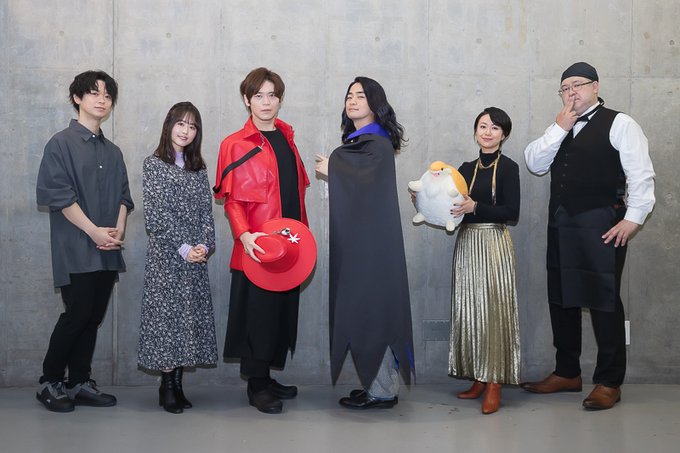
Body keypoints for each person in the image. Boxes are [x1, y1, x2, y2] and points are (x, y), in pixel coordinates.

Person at [522, 62, 655, 410]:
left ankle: (609, 381)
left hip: (603, 225)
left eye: (578, 85)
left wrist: (633, 219)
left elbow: (641, 174)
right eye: (565, 88)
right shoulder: (560, 126)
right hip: (561, 224)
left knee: (603, 300)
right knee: (561, 297)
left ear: (595, 86)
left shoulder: (621, 123)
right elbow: (534, 163)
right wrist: (559, 127)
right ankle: (567, 372)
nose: (571, 92)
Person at [35, 70, 134, 412]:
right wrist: (93, 231)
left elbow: (124, 197)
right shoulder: (60, 143)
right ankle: (49, 381)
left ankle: (78, 381)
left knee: (93, 317)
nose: (101, 100)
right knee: (76, 315)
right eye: (93, 93)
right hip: (76, 247)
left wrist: (118, 231)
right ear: (77, 98)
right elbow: (58, 195)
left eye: (107, 95)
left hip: (107, 248)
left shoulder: (114, 151)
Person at [213, 67, 310, 414]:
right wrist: (245, 235)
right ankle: (256, 384)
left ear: (280, 99)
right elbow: (231, 200)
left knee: (280, 312)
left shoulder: (287, 138)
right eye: (258, 95)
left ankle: (267, 378)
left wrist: (302, 240)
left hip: (289, 244)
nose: (266, 102)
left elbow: (294, 192)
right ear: (246, 100)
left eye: (272, 95)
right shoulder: (235, 144)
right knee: (258, 315)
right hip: (257, 245)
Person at [315, 76, 414, 409]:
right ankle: (376, 384)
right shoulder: (363, 144)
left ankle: (383, 391)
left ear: (375, 103)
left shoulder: (377, 144)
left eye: (360, 95)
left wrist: (334, 167)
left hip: (372, 250)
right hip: (363, 245)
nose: (353, 100)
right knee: (365, 312)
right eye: (349, 96)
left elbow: (364, 182)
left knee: (374, 313)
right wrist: (338, 167)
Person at [137, 102, 218, 414]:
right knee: (166, 321)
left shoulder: (199, 169)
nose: (186, 131)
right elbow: (156, 215)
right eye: (181, 124)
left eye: (193, 126)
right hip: (167, 257)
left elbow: (207, 213)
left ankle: (179, 385)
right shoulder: (154, 164)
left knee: (188, 320)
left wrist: (204, 246)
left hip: (195, 258)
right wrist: (184, 248)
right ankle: (166, 386)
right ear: (169, 125)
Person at [448, 107, 521, 415]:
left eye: (494, 127)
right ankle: (478, 377)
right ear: (475, 131)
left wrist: (475, 206)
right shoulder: (464, 169)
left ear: (504, 134)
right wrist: (426, 200)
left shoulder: (509, 168)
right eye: (482, 126)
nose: (487, 132)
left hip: (494, 244)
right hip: (467, 244)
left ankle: (494, 383)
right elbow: (453, 207)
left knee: (493, 312)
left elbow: (511, 213)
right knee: (469, 310)